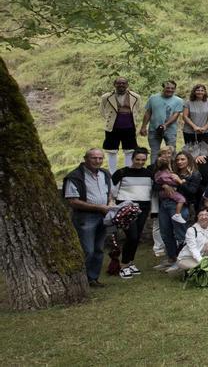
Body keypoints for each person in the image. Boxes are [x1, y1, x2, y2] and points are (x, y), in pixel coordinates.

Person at [63, 148, 114, 286]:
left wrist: (109, 203)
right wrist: (98, 207)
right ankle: (78, 281)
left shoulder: (105, 173)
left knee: (98, 250)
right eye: (94, 158)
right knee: (87, 250)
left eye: (100, 158)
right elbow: (72, 201)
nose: (97, 161)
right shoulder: (75, 176)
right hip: (85, 217)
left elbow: (109, 192)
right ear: (85, 159)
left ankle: (92, 279)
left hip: (103, 215)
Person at [111, 148, 154, 279]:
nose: (140, 162)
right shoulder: (121, 172)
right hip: (126, 210)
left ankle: (130, 262)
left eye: (143, 160)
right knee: (132, 236)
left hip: (143, 208)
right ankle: (123, 265)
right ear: (132, 159)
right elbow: (111, 190)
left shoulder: (149, 173)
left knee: (137, 237)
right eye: (137, 159)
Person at [100, 77, 142, 171]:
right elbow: (102, 111)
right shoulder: (106, 97)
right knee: (111, 151)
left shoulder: (135, 97)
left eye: (123, 83)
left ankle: (128, 171)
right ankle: (112, 173)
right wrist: (110, 120)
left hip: (129, 127)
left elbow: (137, 110)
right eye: (119, 83)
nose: (121, 85)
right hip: (112, 128)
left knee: (129, 151)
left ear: (127, 85)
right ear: (114, 85)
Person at [140, 80, 184, 166]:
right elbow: (148, 113)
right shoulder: (153, 98)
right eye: (168, 88)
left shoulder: (178, 100)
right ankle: (154, 170)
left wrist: (165, 125)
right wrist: (143, 126)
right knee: (154, 151)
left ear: (175, 89)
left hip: (170, 130)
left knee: (171, 151)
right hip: (154, 129)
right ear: (163, 88)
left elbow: (176, 115)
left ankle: (172, 169)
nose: (170, 90)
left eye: (172, 88)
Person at [176, 207, 208, 276]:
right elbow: (193, 249)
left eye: (207, 215)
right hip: (188, 257)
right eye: (201, 215)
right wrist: (202, 262)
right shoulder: (191, 230)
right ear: (197, 216)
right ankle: (187, 271)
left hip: (203, 254)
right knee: (200, 269)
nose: (204, 217)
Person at [181, 84, 208, 157]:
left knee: (204, 152)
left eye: (202, 90)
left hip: (205, 131)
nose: (200, 92)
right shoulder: (188, 102)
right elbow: (185, 116)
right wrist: (194, 127)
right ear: (194, 92)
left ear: (205, 92)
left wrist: (205, 127)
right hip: (189, 131)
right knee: (190, 152)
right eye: (197, 90)